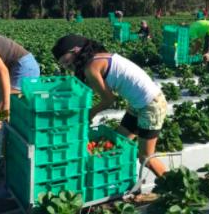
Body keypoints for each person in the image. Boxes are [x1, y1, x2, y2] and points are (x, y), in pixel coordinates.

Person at [52, 35, 167, 178]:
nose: (67, 66)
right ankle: (121, 180)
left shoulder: (91, 67)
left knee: (146, 157)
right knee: (117, 141)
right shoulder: (98, 58)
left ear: (75, 51)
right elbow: (88, 90)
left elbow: (108, 100)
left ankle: (173, 187)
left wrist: (90, 113)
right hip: (140, 103)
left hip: (150, 105)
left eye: (66, 61)